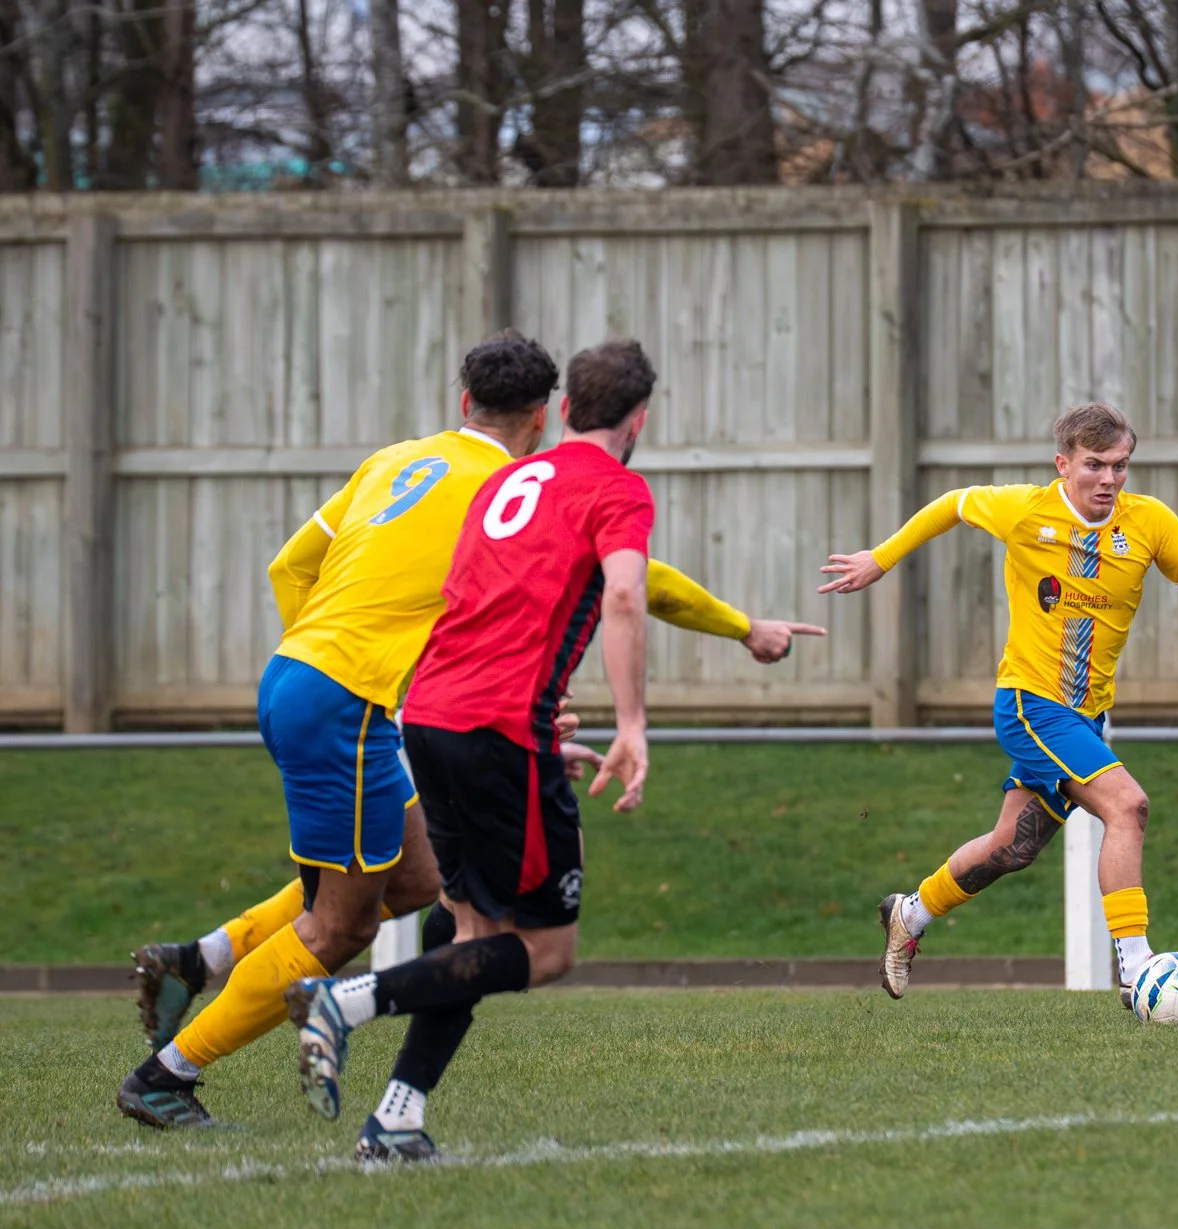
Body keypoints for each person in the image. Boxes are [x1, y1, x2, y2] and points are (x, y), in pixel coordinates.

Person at [115, 333, 823, 1132]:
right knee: (343, 923)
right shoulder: (517, 482)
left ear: (463, 404)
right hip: (356, 707)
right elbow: (634, 580)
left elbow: (290, 565)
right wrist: (742, 626)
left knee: (415, 882)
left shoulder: (396, 461)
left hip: (299, 678)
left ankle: (204, 958)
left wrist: (326, 662)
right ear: (543, 416)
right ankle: (167, 1074)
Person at [286, 339, 662, 1159]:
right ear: (639, 420)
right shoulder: (619, 489)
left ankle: (396, 1116)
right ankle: (346, 1001)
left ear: (563, 411)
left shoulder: (507, 483)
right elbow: (628, 594)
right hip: (493, 725)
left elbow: (469, 600)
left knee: (470, 930)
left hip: (433, 712)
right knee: (546, 949)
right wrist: (630, 724)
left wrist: (519, 730)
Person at [815, 402, 1178, 1003]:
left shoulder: (1149, 523)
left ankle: (910, 914)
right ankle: (1137, 966)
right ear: (1063, 464)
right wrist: (880, 559)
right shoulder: (1025, 509)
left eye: (1121, 466)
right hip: (1029, 705)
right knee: (1128, 807)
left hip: (1083, 716)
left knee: (1014, 846)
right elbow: (953, 504)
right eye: (1095, 465)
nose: (1110, 480)